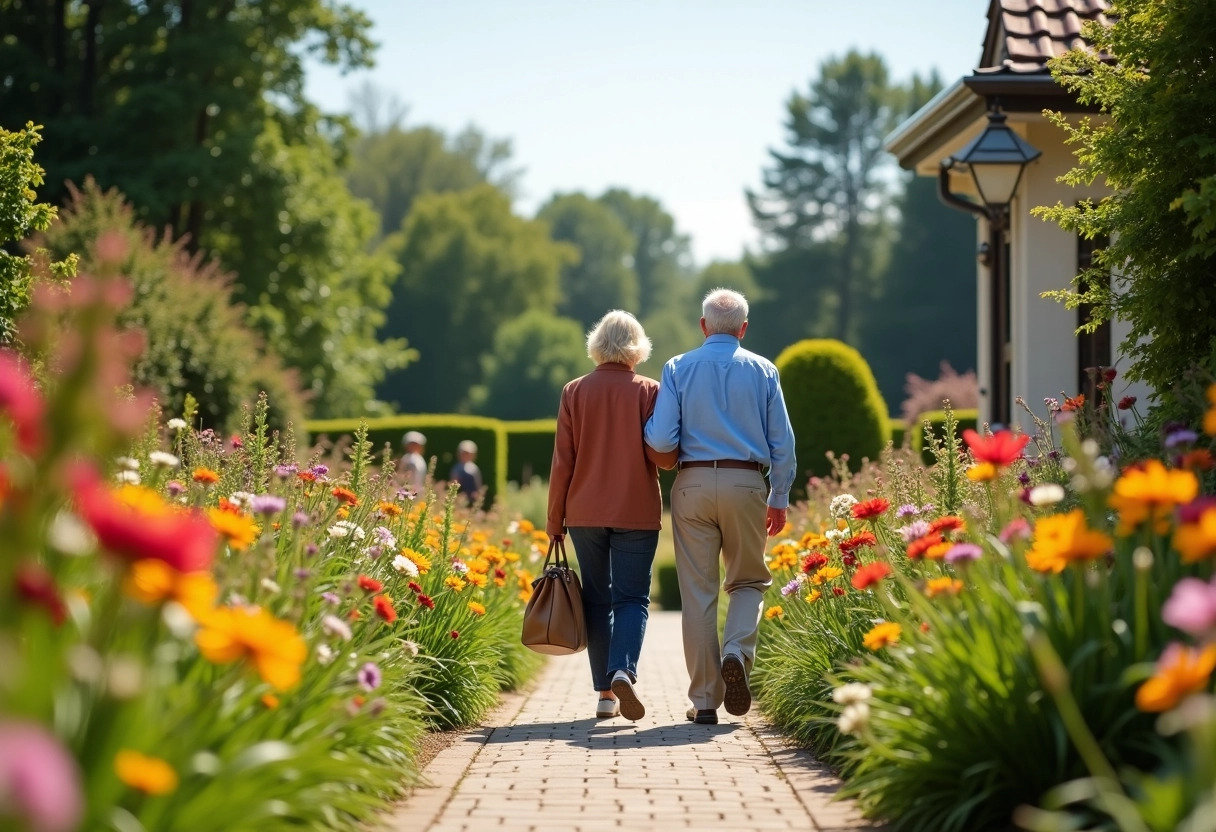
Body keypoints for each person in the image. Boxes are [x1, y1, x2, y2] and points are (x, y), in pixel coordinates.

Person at [643, 288, 796, 726]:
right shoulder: (765, 371)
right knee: (748, 580)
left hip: (690, 485)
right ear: (743, 328)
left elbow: (659, 439)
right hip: (747, 482)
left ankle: (705, 700)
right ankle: (736, 652)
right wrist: (779, 496)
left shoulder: (677, 367)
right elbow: (782, 444)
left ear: (703, 325)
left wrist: (671, 454)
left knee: (698, 594)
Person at [547, 310, 677, 721]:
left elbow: (562, 462)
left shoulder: (573, 391)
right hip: (636, 509)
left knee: (596, 598)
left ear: (597, 344)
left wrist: (554, 521)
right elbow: (663, 454)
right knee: (632, 597)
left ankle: (605, 694)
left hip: (583, 512)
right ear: (637, 347)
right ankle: (623, 668)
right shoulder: (650, 391)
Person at [449, 440, 483, 507]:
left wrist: (478, 497)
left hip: (472, 501)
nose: (466, 455)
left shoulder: (474, 468)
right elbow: (453, 484)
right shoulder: (456, 468)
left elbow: (478, 486)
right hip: (460, 500)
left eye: (469, 454)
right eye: (465, 453)